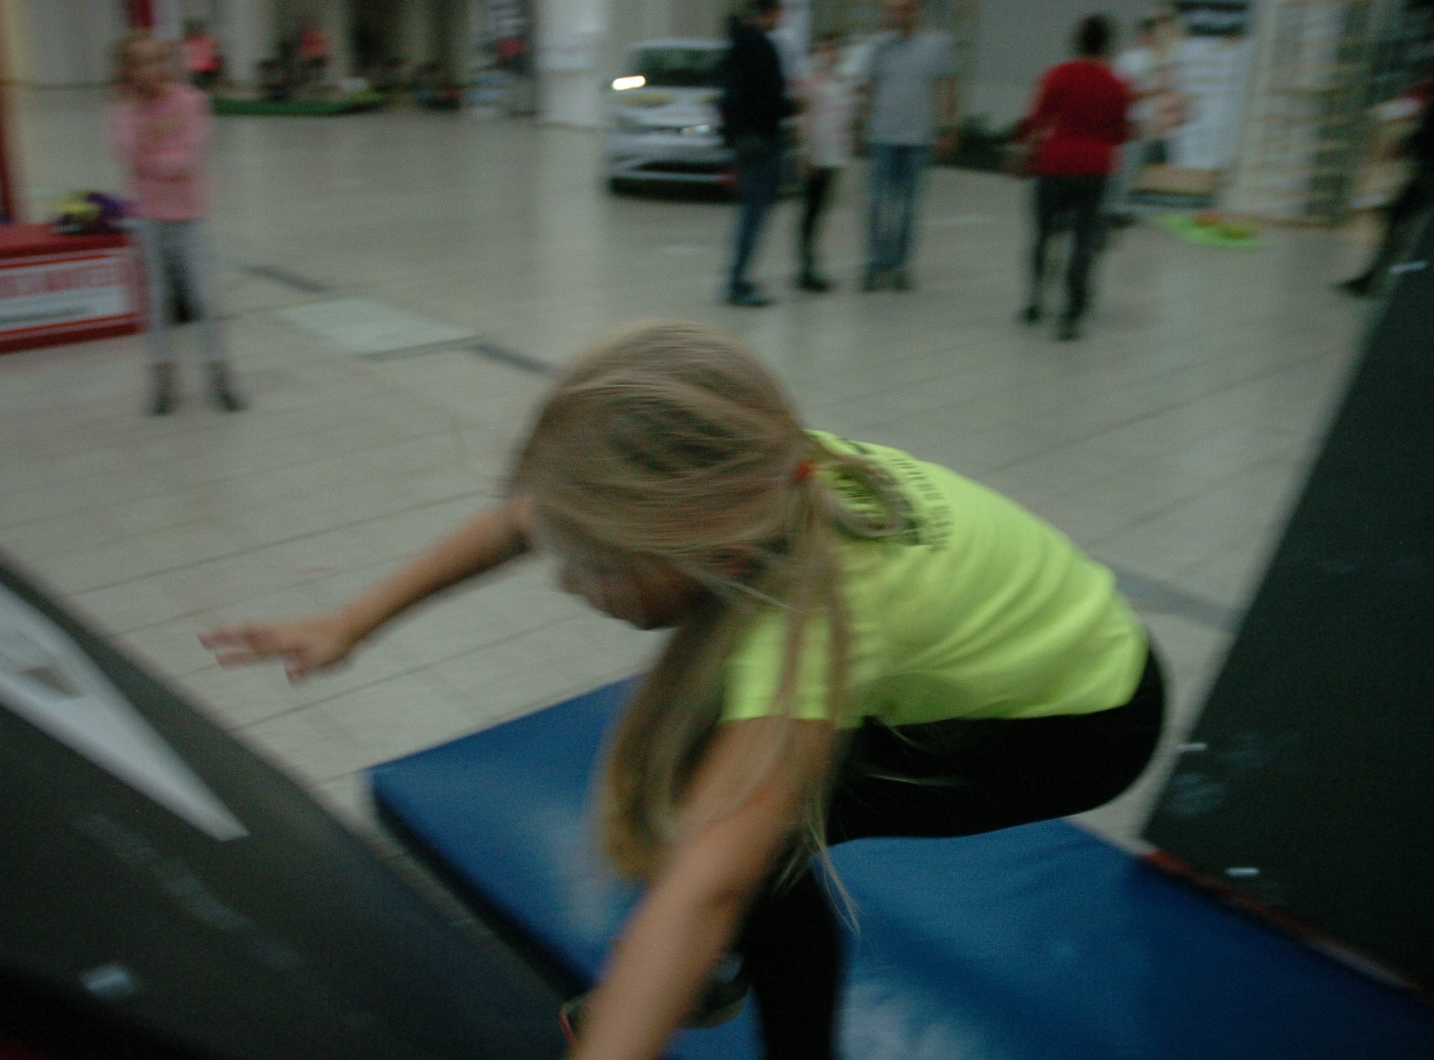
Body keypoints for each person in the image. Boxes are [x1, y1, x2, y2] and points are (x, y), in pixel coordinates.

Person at [201, 320, 1166, 1060]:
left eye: (595, 567)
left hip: (1079, 723)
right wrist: (352, 620)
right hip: (1063, 636)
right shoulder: (739, 470)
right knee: (719, 790)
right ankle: (723, 971)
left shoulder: (807, 628)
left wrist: (644, 998)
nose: (568, 582)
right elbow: (526, 519)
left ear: (715, 558)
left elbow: (709, 883)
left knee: (762, 843)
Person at [108, 31, 245, 414]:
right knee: (156, 301)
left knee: (203, 297)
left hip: (189, 217)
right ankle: (163, 381)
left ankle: (219, 375)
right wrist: (160, 155)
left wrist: (155, 160)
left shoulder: (190, 101)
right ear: (128, 71)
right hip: (149, 218)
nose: (149, 70)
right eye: (139, 63)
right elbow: (129, 154)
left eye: (156, 61)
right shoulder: (124, 111)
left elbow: (189, 157)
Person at [1016, 15, 1129, 341]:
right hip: (1094, 169)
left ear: (1077, 41)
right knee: (1083, 241)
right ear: (1107, 44)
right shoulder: (1117, 84)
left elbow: (1038, 120)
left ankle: (1035, 302)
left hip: (1054, 164)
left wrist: (1024, 147)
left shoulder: (1057, 75)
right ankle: (1071, 314)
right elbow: (1119, 134)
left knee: (1042, 236)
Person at [857, 0, 958, 292]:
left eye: (903, 9)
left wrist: (947, 128)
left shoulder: (938, 44)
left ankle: (900, 266)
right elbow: (870, 87)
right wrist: (860, 124)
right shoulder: (878, 45)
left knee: (908, 208)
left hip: (917, 140)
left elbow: (947, 86)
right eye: (892, 10)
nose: (896, 15)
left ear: (916, 11)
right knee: (877, 205)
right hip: (883, 137)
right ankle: (875, 265)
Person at [719, 0, 795, 307]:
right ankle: (738, 282)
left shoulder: (738, 44)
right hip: (763, 140)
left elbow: (731, 96)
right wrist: (793, 106)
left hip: (748, 140)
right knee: (754, 212)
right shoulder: (761, 46)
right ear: (771, 12)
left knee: (750, 212)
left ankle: (739, 277)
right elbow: (768, 97)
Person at [1340, 83, 1433, 297]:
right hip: (1423, 177)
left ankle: (1377, 282)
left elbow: (1424, 134)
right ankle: (1374, 281)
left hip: (1426, 180)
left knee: (1403, 230)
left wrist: (1399, 150)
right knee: (1398, 228)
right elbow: (1423, 133)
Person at [795, 34, 856, 293]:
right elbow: (804, 120)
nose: (830, 54)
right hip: (817, 156)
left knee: (820, 212)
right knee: (811, 212)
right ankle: (806, 267)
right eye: (825, 49)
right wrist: (806, 154)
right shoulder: (812, 83)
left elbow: (845, 120)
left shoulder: (841, 83)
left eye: (834, 49)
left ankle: (811, 263)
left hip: (834, 156)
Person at [1106, 16, 1168, 225]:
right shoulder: (1133, 59)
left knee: (1129, 168)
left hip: (1137, 121)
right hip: (1130, 121)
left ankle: (1117, 207)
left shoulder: (1143, 59)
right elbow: (1124, 95)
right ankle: (1113, 209)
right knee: (1124, 167)